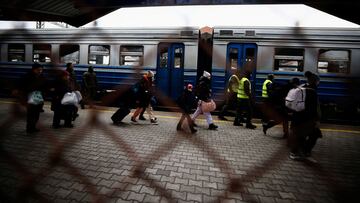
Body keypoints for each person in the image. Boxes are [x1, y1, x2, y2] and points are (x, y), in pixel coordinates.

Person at [288, 74, 320, 160]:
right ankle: (297, 152)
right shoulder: (312, 91)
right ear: (315, 81)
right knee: (313, 134)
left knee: (301, 135)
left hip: (297, 116)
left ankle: (301, 151)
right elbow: (314, 107)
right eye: (318, 82)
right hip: (305, 118)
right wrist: (317, 120)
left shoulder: (300, 87)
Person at [18, 63, 46, 134]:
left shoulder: (41, 77)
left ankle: (33, 127)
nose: (40, 71)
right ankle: (29, 129)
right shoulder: (27, 76)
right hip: (30, 98)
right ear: (34, 69)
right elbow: (22, 86)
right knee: (31, 114)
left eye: (41, 70)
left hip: (39, 98)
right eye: (38, 70)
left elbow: (45, 85)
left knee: (36, 114)